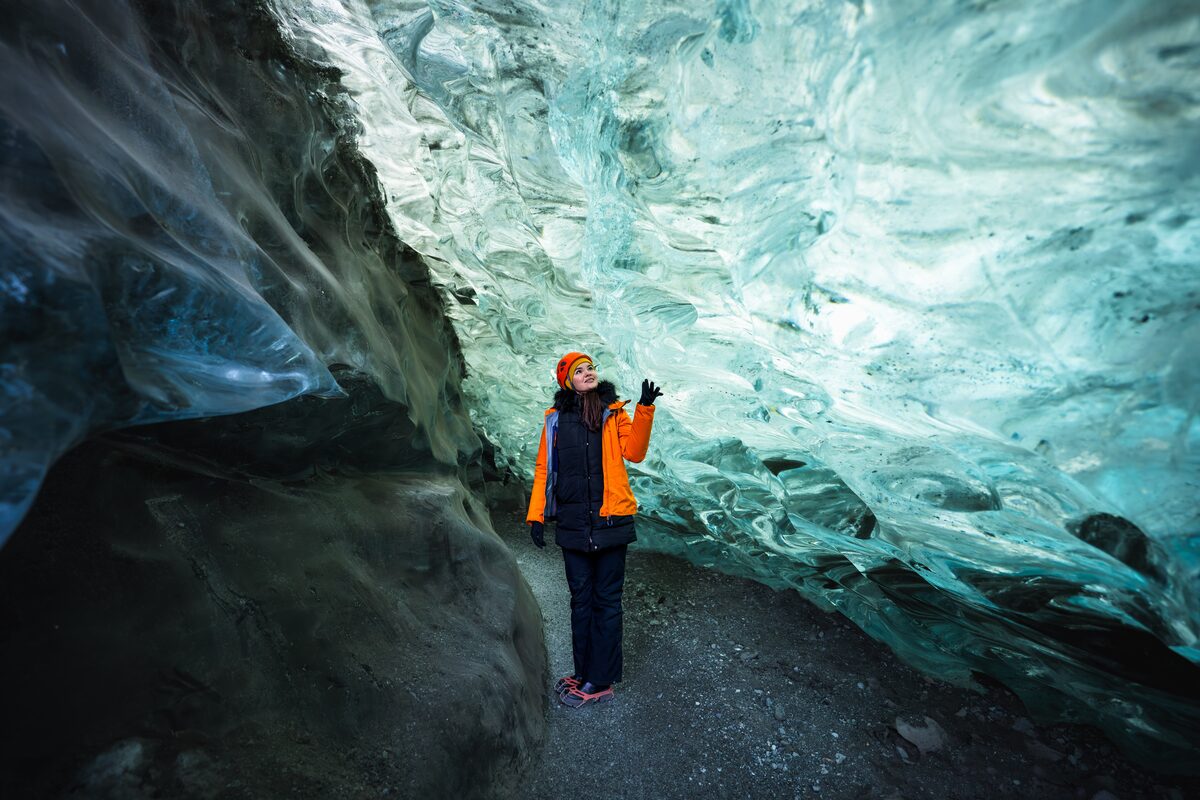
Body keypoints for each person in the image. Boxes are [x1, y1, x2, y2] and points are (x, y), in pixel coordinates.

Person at [526, 351, 662, 708]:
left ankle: (600, 680)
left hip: (610, 520)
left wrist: (644, 409)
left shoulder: (612, 412)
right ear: (567, 380)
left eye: (591, 368)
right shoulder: (554, 421)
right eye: (579, 370)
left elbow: (635, 452)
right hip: (573, 526)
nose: (588, 373)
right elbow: (544, 470)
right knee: (580, 602)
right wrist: (536, 516)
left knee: (606, 601)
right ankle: (584, 671)